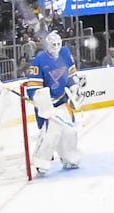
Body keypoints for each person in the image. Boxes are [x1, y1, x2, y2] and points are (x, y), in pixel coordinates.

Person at [25, 31, 82, 176]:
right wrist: (41, 100)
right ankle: (40, 162)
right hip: (48, 104)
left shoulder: (65, 53)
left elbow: (71, 75)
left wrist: (75, 86)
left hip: (63, 100)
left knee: (70, 131)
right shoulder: (39, 60)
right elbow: (33, 88)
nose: (56, 47)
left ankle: (70, 157)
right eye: (53, 44)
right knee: (50, 133)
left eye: (58, 44)